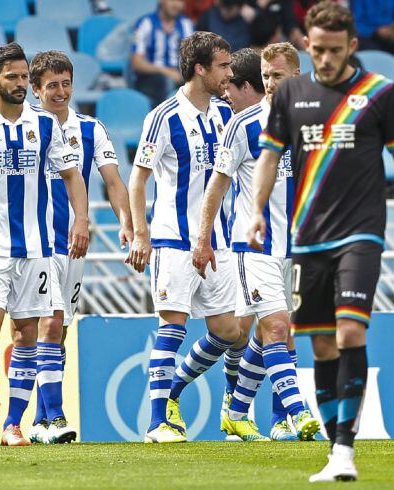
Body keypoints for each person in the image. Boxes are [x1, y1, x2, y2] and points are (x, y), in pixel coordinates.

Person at [251, 2, 394, 481]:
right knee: (323, 347)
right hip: (307, 237)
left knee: (351, 333)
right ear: (307, 44)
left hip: (361, 232)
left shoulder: (380, 93)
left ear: (352, 46)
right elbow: (268, 158)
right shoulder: (290, 93)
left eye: (335, 50)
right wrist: (256, 212)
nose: (325, 59)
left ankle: (346, 451)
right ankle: (335, 451)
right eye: (317, 49)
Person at [0, 42, 90, 446]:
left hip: (37, 247)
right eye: (13, 77)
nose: (22, 84)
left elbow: (72, 175)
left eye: (25, 77)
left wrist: (81, 219)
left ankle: (12, 423)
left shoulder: (46, 125)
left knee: (26, 333)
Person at [194, 44, 321, 442]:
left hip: (297, 247)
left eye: (278, 76)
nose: (270, 84)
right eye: (266, 76)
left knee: (276, 333)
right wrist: (203, 237)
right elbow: (218, 184)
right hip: (255, 246)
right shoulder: (243, 124)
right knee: (277, 326)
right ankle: (298, 413)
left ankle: (235, 410)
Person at [126, 31, 240, 444]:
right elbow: (137, 181)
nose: (229, 74)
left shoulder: (226, 115)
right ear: (200, 68)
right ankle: (157, 423)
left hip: (219, 241)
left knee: (231, 331)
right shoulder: (164, 116)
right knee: (172, 325)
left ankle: (172, 390)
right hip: (174, 238)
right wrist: (141, 235)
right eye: (224, 66)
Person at [27, 51, 133, 444]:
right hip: (35, 242)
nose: (60, 92)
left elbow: (113, 180)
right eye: (51, 85)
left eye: (66, 83)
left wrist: (126, 222)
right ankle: (55, 417)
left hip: (74, 243)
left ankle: (40, 420)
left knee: (60, 328)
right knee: (50, 322)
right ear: (35, 90)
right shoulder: (26, 128)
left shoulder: (91, 129)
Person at [131, 0, 195, 107]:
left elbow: (193, 56)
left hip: (179, 76)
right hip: (150, 78)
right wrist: (164, 71)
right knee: (165, 83)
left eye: (180, 1)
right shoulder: (145, 23)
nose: (176, 5)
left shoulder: (186, 24)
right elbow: (136, 62)